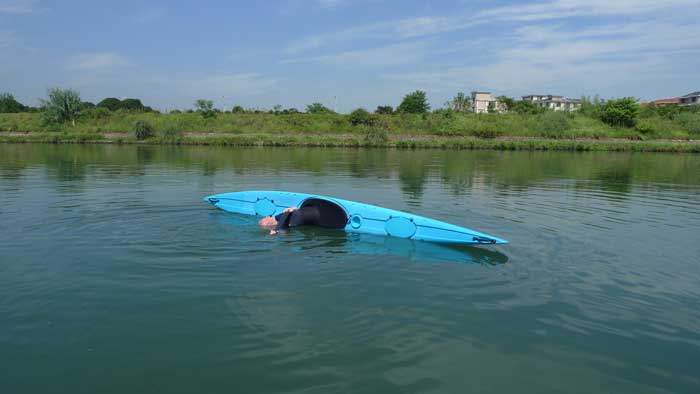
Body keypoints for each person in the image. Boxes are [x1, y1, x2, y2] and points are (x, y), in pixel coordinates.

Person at [258, 205, 322, 235]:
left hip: (313, 218)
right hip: (313, 212)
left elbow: (285, 233)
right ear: (267, 217)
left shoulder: (282, 223)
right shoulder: (281, 219)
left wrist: (276, 230)